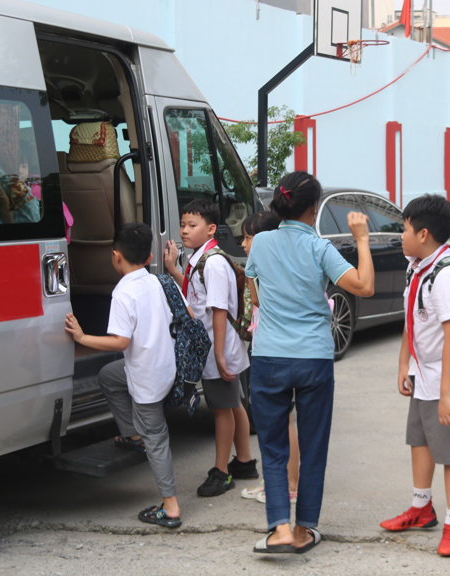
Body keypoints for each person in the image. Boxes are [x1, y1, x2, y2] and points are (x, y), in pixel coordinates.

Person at [244, 171, 374, 554]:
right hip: (314, 356)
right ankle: (304, 530)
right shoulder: (319, 249)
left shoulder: (261, 243)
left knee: (272, 446)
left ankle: (279, 528)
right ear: (314, 208)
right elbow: (364, 285)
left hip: (268, 355)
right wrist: (362, 239)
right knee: (313, 445)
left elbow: (255, 292)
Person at [63, 222, 183, 528]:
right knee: (108, 375)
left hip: (147, 376)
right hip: (163, 364)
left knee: (156, 439)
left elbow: (119, 342)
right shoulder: (157, 281)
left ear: (116, 256)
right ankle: (132, 434)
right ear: (149, 256)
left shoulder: (123, 292)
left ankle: (170, 507)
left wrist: (81, 338)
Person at [379, 195, 450, 557]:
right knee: (419, 440)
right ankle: (422, 509)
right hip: (424, 373)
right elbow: (412, 317)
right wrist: (403, 363)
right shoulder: (417, 264)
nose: (399, 235)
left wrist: (448, 394)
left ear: (423, 233)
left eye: (403, 229)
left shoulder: (448, 275)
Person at [164, 199, 256, 497]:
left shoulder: (213, 263)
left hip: (219, 348)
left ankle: (221, 471)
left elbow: (217, 310)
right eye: (183, 225)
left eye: (192, 225)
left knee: (221, 410)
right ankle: (244, 461)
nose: (185, 231)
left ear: (211, 228)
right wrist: (173, 269)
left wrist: (217, 354)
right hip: (223, 346)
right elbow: (197, 295)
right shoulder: (203, 259)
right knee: (234, 404)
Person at [236, 211, 301, 506]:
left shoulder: (262, 267)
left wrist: (249, 275)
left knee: (278, 422)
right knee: (285, 421)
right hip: (289, 349)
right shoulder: (286, 263)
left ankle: (283, 487)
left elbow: (258, 302)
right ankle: (288, 485)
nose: (244, 243)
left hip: (272, 351)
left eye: (249, 237)